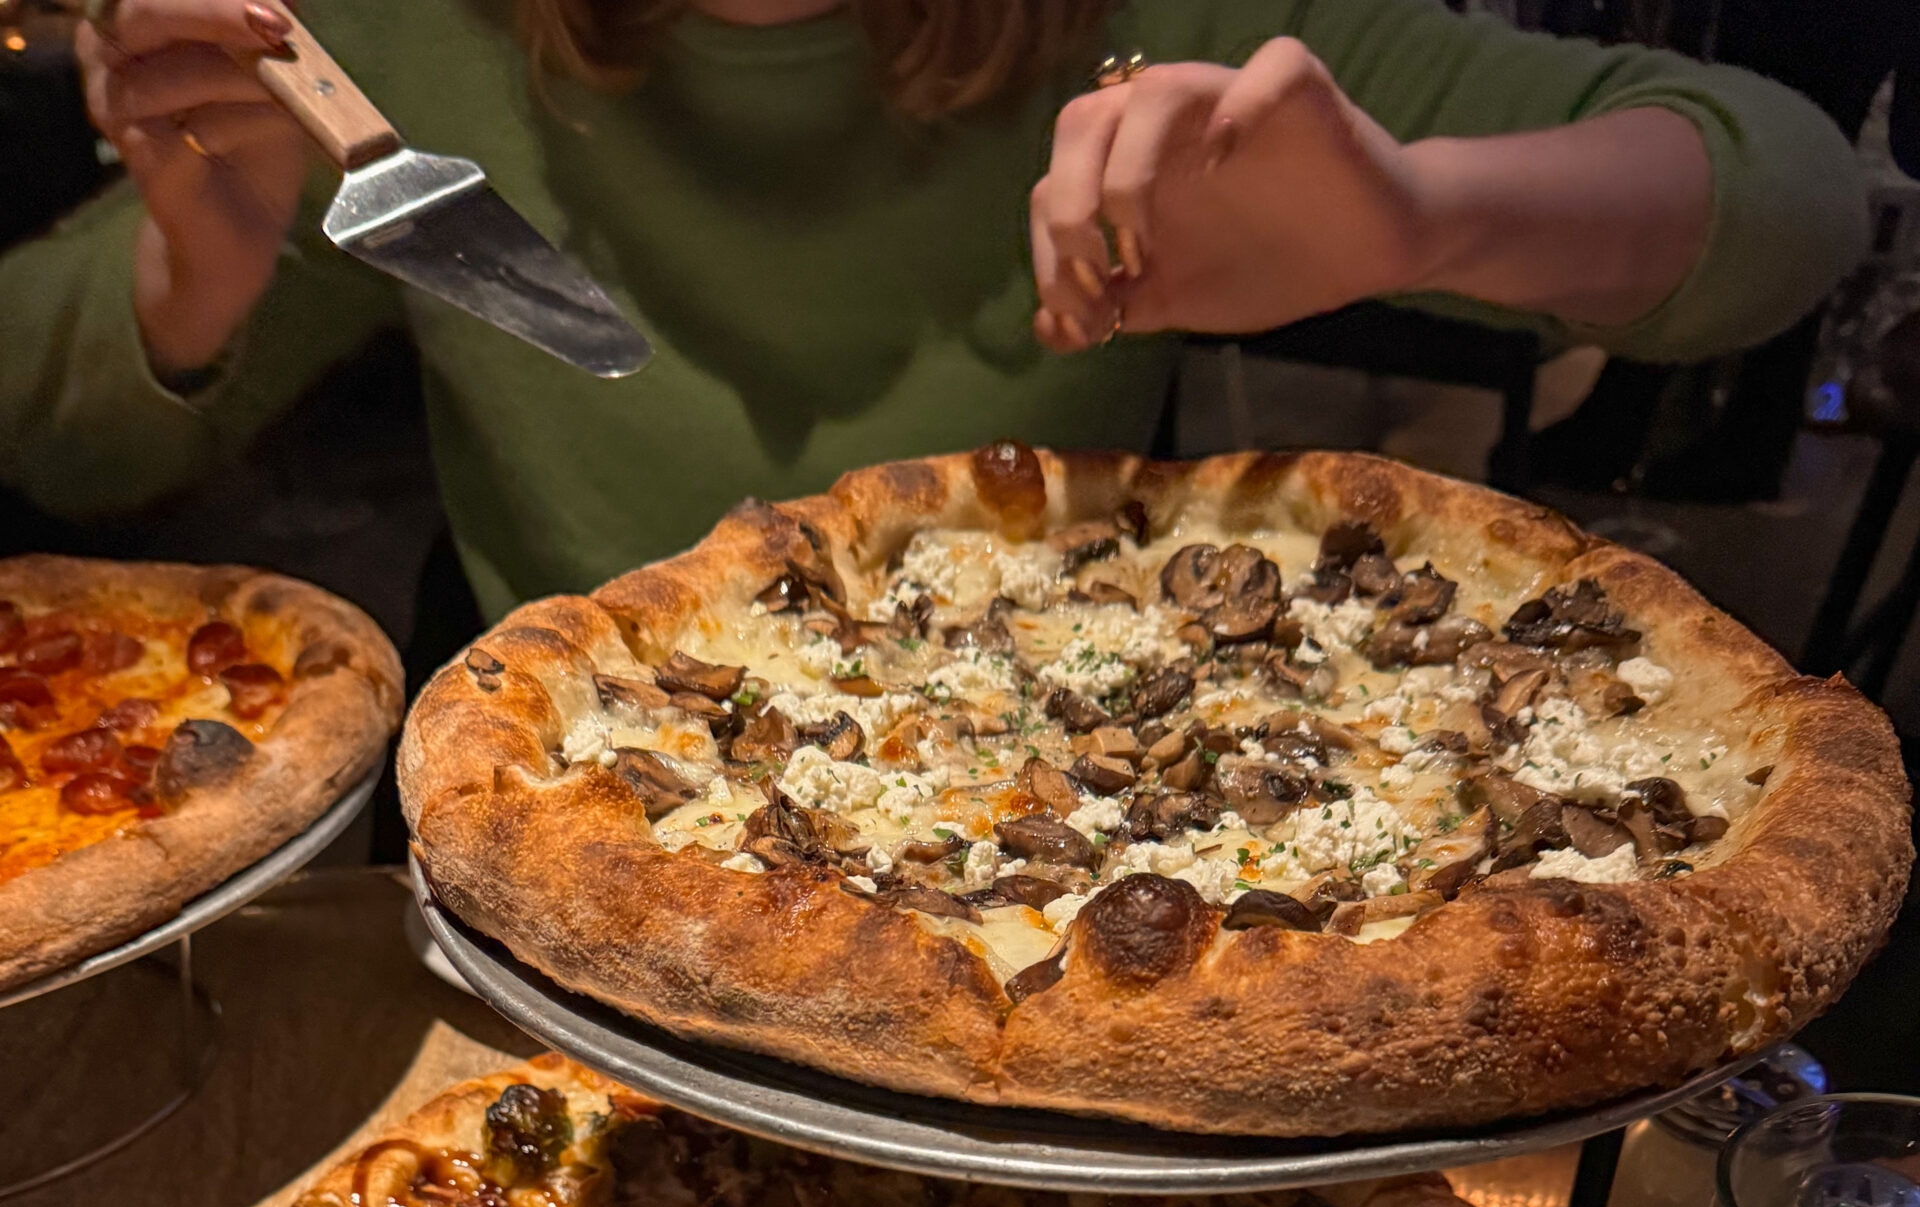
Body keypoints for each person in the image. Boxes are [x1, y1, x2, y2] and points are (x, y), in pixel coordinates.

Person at [0, 0, 1869, 621]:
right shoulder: (383, 38)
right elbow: (49, 422)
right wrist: (204, 259)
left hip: (1060, 848)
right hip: (555, 852)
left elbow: (1788, 196)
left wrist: (1417, 213)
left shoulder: (1154, 10)